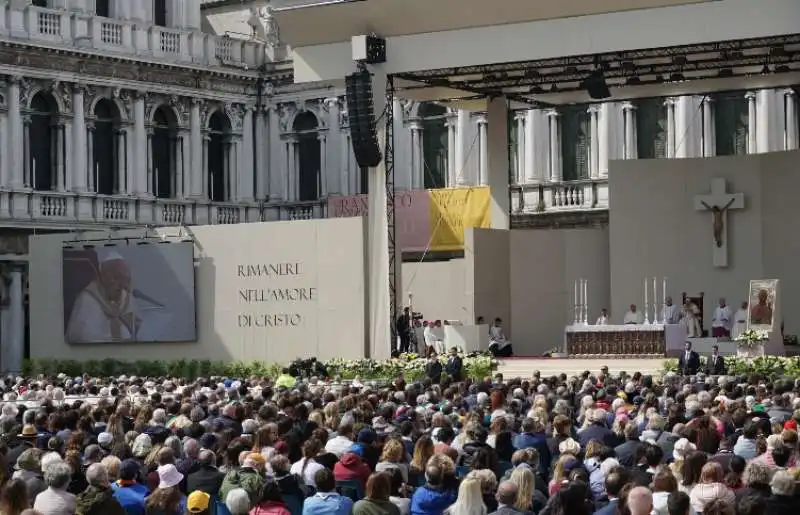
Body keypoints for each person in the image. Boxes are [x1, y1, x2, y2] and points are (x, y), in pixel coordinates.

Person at [66, 249, 140, 343]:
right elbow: (83, 337)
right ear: (103, 277)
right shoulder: (87, 300)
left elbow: (138, 329)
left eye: (123, 278)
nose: (120, 284)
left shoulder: (127, 298)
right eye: (115, 277)